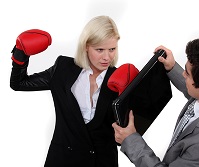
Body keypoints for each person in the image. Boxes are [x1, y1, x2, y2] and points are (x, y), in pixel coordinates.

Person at [9, 15, 172, 167]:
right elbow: (19, 83)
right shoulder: (63, 69)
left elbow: (125, 134)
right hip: (62, 160)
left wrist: (133, 95)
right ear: (86, 47)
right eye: (100, 50)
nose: (107, 57)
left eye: (112, 49)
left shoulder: (120, 77)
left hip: (101, 162)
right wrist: (20, 53)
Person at [112, 36, 199, 167]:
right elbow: (196, 91)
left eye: (187, 73)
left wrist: (130, 141)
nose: (183, 74)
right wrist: (172, 67)